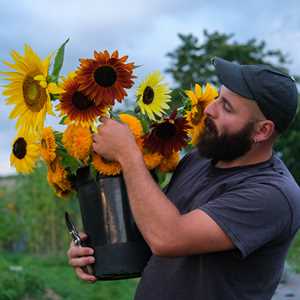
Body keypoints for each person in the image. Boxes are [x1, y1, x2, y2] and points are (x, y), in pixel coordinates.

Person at [67, 57, 300, 300]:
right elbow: (151, 226)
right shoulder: (200, 160)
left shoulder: (274, 196)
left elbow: (167, 238)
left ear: (262, 130)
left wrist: (128, 155)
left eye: (227, 107)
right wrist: (93, 250)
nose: (210, 109)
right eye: (218, 97)